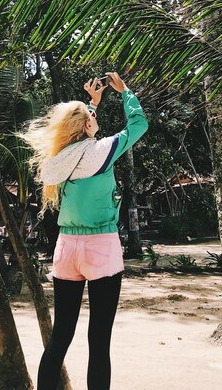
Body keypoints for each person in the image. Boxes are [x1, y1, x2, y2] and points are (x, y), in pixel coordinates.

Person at [19, 72, 148, 390]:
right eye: (90, 116)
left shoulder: (58, 160)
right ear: (87, 125)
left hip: (67, 249)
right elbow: (138, 126)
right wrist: (126, 92)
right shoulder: (102, 150)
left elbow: (81, 143)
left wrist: (92, 104)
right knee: (99, 339)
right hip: (101, 246)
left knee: (61, 334)